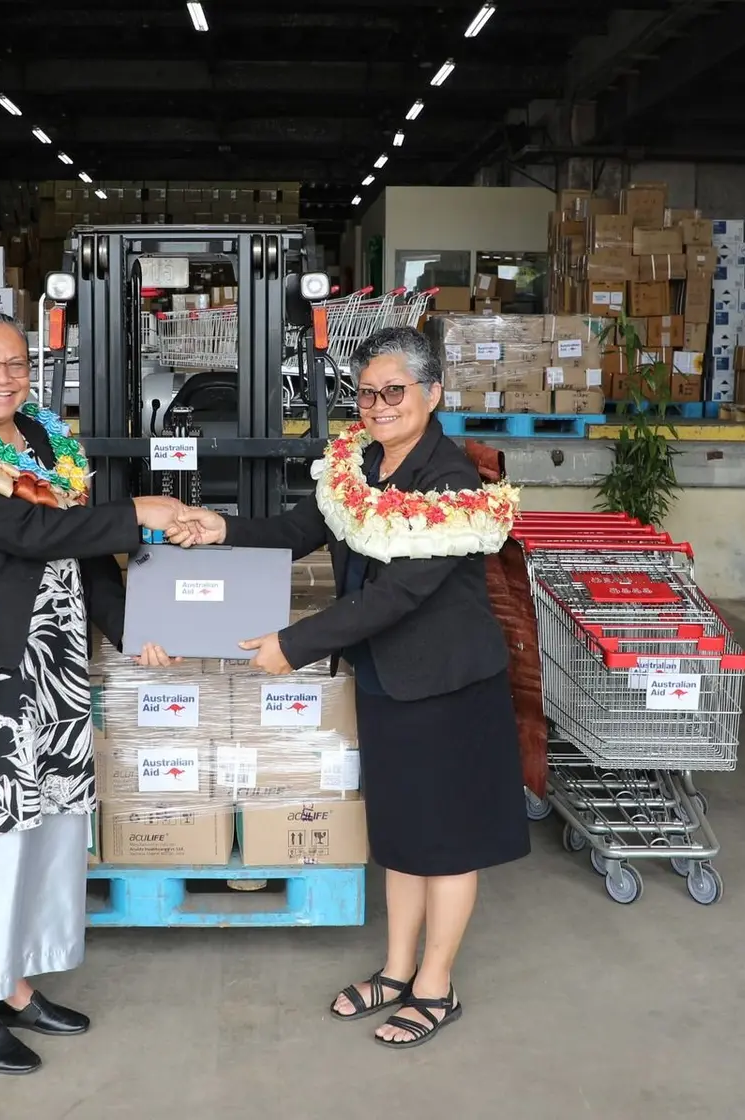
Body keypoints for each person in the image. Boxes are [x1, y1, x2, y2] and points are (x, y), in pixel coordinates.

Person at [167, 326, 527, 1050]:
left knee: (447, 842)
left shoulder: (449, 480)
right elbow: (302, 526)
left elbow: (397, 596)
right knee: (400, 835)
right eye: (366, 393)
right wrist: (218, 528)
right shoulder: (357, 463)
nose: (378, 405)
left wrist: (292, 646)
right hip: (387, 677)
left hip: (447, 682)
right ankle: (396, 972)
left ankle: (435, 985)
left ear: (431, 394)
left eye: (394, 391)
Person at [0, 309, 190, 1076]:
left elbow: (87, 560)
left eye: (16, 364)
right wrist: (137, 516)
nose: (2, 377)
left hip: (53, 665)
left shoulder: (52, 443)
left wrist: (133, 628)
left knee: (49, 823)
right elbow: (29, 535)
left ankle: (14, 983)